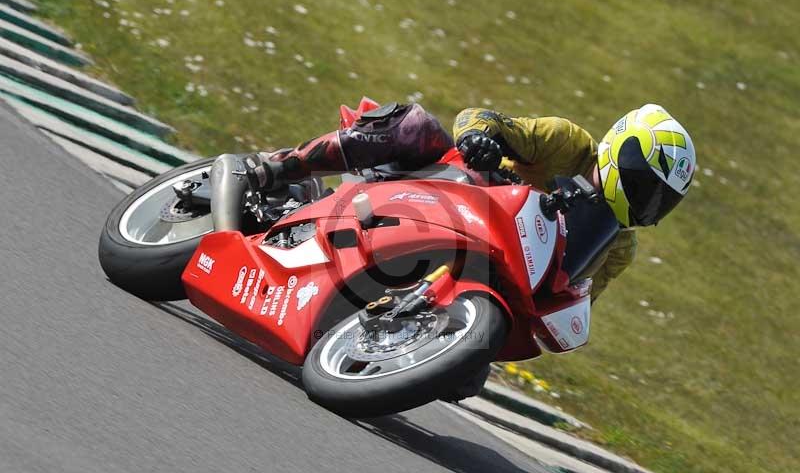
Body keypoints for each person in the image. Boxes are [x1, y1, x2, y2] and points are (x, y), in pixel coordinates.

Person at [240, 101, 696, 301]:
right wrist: (480, 137)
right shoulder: (566, 142)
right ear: (623, 150)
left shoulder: (619, 246)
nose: (647, 203)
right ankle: (281, 168)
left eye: (661, 200)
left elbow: (576, 297)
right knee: (415, 126)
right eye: (646, 185)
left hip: (486, 268)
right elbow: (484, 118)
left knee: (469, 376)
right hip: (457, 192)